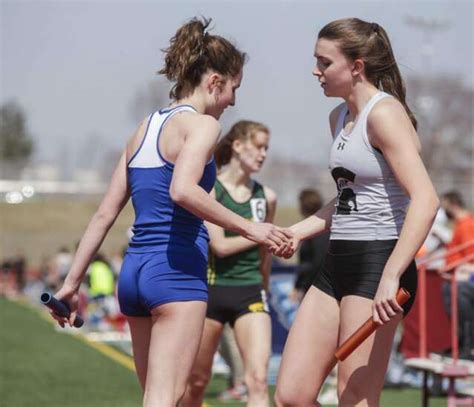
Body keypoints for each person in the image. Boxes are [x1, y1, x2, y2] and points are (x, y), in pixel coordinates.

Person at [50, 17, 291, 407]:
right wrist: (252, 228)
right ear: (215, 82)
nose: (233, 101)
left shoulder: (143, 128)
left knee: (158, 398)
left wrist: (71, 283)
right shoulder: (203, 126)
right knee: (166, 398)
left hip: (135, 274)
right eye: (234, 88)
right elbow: (183, 190)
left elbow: (103, 215)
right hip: (175, 271)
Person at [273, 18, 439, 407]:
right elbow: (349, 198)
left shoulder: (384, 115)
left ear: (356, 66)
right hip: (337, 263)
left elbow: (426, 200)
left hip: (379, 263)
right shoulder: (338, 119)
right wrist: (298, 231)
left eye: (324, 63)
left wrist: (391, 275)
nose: (316, 71)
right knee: (291, 396)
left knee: (356, 400)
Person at [182, 120, 275, 407]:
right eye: (258, 147)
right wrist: (261, 232)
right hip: (211, 290)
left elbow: (265, 254)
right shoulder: (210, 190)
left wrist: (264, 282)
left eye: (266, 149)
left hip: (250, 291)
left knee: (258, 380)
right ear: (237, 146)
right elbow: (220, 246)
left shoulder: (266, 197)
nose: (262, 154)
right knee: (197, 382)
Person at [439, 190, 474, 360]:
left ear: (453, 205)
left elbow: (469, 256)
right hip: (454, 277)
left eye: (445, 207)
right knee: (449, 291)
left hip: (464, 278)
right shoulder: (459, 225)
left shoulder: (466, 224)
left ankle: (466, 346)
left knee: (459, 292)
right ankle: (459, 344)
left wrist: (459, 269)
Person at [290, 188, 329, 302]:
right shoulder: (328, 228)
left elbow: (312, 263)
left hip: (316, 288)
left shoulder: (312, 233)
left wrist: (300, 286)